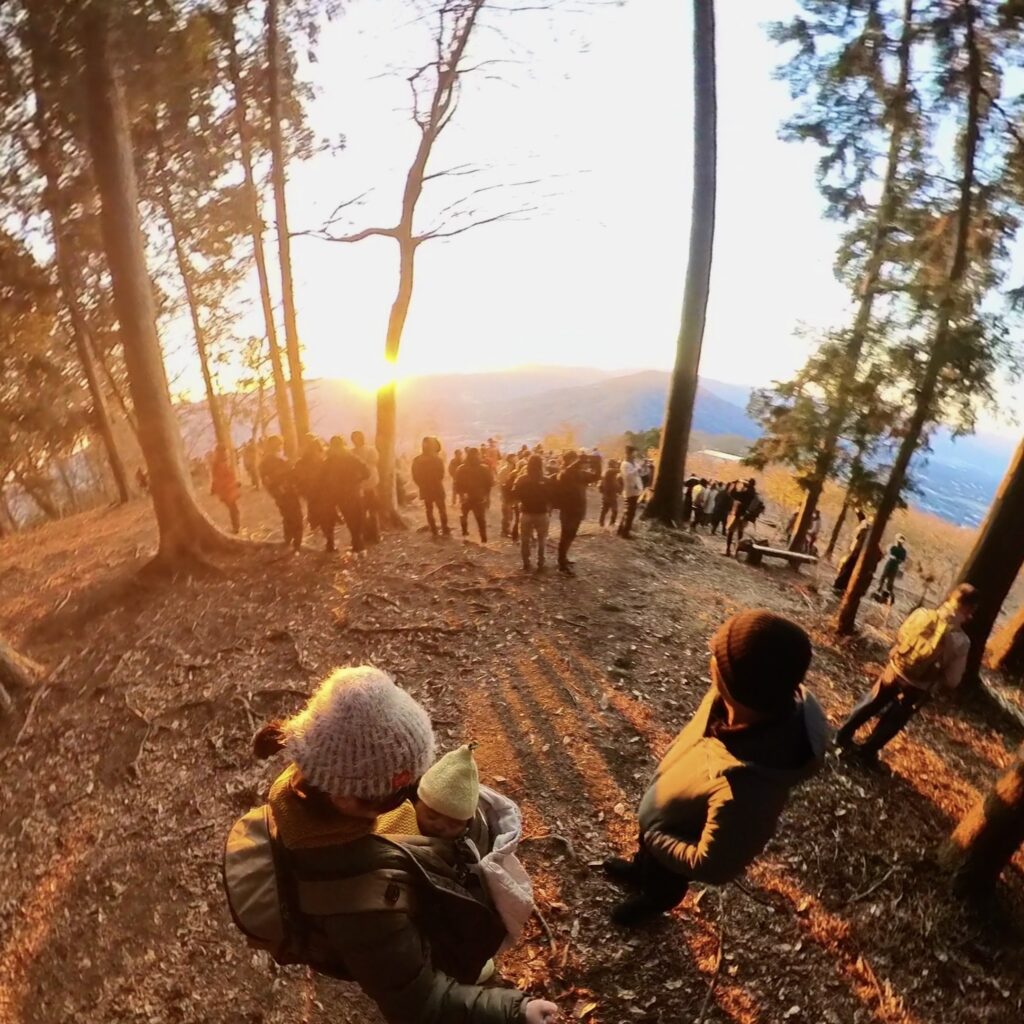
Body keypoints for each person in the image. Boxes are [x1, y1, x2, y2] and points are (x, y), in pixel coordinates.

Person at [249, 667, 558, 1024]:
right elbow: (419, 1001)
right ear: (349, 799)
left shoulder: (316, 773)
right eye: (403, 787)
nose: (411, 795)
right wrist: (515, 1010)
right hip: (422, 954)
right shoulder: (361, 906)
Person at [603, 610, 828, 926]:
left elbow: (713, 865)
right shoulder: (728, 703)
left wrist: (657, 838)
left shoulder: (750, 787)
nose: (710, 653)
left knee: (662, 880)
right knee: (647, 857)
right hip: (667, 814)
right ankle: (639, 870)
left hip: (673, 841)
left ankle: (652, 902)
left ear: (736, 683)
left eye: (717, 655)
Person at [835, 585, 978, 767]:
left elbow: (901, 635)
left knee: (871, 702)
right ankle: (866, 752)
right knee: (894, 719)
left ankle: (842, 735)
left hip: (895, 670)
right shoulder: (961, 641)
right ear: (970, 610)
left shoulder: (922, 614)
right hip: (918, 687)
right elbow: (953, 679)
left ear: (949, 597)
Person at [554, 450, 598, 575]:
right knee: (565, 536)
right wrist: (579, 461)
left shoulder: (581, 474)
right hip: (568, 510)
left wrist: (597, 463)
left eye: (575, 459)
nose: (576, 462)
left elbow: (596, 476)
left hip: (579, 510)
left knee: (571, 535)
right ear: (567, 460)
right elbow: (568, 471)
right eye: (573, 459)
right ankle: (561, 563)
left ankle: (564, 558)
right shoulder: (564, 474)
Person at [324, 436, 368, 553]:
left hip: (339, 495)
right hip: (354, 492)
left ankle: (357, 546)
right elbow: (366, 472)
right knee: (357, 519)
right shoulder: (351, 458)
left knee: (350, 520)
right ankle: (359, 546)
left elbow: (323, 478)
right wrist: (358, 481)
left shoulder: (329, 460)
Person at [260, 436, 303, 551]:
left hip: (279, 494)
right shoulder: (279, 460)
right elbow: (289, 475)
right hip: (287, 492)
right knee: (296, 517)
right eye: (280, 444)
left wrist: (275, 492)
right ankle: (297, 544)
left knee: (287, 517)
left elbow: (265, 481)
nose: (282, 446)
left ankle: (288, 539)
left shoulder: (265, 462)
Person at [513, 454, 551, 572]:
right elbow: (552, 496)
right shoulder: (546, 480)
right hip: (542, 513)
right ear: (541, 465)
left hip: (526, 512)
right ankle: (541, 561)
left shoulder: (521, 479)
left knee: (525, 540)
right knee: (542, 539)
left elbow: (515, 494)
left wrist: (521, 502)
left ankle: (526, 563)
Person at [411, 436, 451, 538]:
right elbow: (441, 475)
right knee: (442, 509)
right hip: (437, 487)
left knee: (429, 510)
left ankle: (433, 530)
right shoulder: (437, 460)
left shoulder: (417, 460)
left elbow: (415, 476)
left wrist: (422, 484)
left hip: (425, 488)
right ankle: (445, 529)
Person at [455, 447, 494, 543]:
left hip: (466, 496)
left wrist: (461, 495)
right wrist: (487, 496)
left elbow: (457, 484)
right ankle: (483, 539)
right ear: (478, 456)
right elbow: (489, 484)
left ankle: (465, 534)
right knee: (481, 519)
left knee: (464, 515)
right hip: (478, 496)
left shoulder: (461, 468)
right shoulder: (484, 468)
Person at [351, 431, 381, 544]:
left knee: (372, 512)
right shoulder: (352, 452)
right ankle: (367, 534)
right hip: (359, 487)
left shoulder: (371, 450)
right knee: (361, 513)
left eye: (358, 438)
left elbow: (374, 462)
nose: (356, 440)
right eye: (354, 438)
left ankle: (376, 535)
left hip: (370, 485)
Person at [833, 509, 870, 592]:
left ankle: (839, 585)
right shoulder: (865, 527)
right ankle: (842, 585)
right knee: (847, 567)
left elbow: (857, 539)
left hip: (856, 551)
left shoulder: (864, 528)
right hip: (856, 551)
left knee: (847, 568)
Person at [210, 444, 241, 534]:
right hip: (226, 491)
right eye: (225, 452)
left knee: (234, 509)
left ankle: (236, 527)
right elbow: (221, 480)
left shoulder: (222, 463)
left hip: (229, 490)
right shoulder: (218, 465)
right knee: (234, 510)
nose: (227, 454)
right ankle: (236, 528)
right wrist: (233, 484)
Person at [724, 479, 759, 556]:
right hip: (746, 517)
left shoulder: (745, 493)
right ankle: (736, 551)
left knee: (731, 531)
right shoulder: (754, 494)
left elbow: (733, 494)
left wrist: (735, 484)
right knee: (740, 533)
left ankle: (728, 550)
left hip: (739, 515)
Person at [618, 449, 643, 538]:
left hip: (636, 489)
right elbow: (627, 475)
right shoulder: (625, 464)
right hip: (629, 490)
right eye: (633, 454)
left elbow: (640, 474)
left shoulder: (635, 464)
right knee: (629, 512)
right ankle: (625, 532)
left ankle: (621, 529)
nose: (634, 456)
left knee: (629, 512)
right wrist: (636, 469)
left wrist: (641, 469)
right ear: (628, 454)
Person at [875, 534, 908, 603]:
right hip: (889, 563)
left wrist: (897, 560)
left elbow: (902, 559)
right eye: (898, 541)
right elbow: (887, 553)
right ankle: (879, 589)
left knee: (890, 581)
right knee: (883, 577)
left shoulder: (903, 551)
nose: (899, 542)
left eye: (901, 541)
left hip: (895, 565)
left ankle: (888, 597)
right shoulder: (892, 547)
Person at [497, 453, 519, 539]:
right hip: (507, 495)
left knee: (512, 514)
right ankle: (504, 531)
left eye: (515, 458)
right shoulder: (505, 470)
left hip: (514, 495)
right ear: (509, 459)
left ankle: (510, 530)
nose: (515, 459)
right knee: (507, 514)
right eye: (514, 458)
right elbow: (501, 483)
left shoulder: (516, 469)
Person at [598, 459, 621, 528]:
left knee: (605, 509)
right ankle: (610, 523)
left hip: (609, 494)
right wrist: (621, 464)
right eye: (615, 464)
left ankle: (603, 522)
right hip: (610, 494)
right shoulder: (609, 471)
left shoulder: (608, 472)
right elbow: (618, 470)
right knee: (614, 510)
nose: (616, 465)